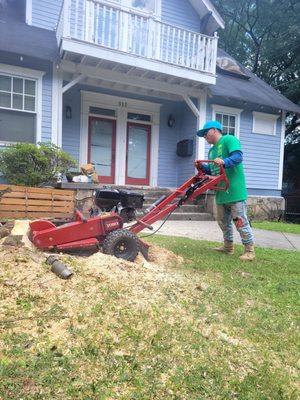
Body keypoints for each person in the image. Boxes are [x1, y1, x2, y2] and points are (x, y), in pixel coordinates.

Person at [195, 120, 255, 261]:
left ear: (215, 130)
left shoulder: (229, 139)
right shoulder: (211, 151)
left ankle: (249, 250)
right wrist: (202, 167)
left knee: (239, 221)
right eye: (202, 134)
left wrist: (225, 161)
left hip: (234, 191)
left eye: (206, 132)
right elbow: (214, 169)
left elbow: (238, 157)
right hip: (221, 191)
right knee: (222, 221)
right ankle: (228, 247)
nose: (204, 136)